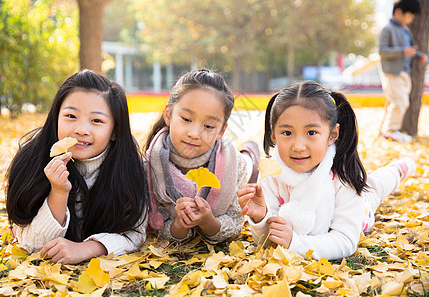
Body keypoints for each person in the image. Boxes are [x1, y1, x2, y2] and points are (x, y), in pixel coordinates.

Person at [237, 81, 416, 260]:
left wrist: (296, 243)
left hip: (362, 209)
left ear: (333, 135)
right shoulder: (271, 173)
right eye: (287, 133)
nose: (298, 146)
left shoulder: (344, 178)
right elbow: (271, 240)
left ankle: (398, 170)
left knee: (375, 188)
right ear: (273, 135)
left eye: (311, 132)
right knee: (372, 184)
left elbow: (345, 241)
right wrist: (261, 218)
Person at [6, 70, 149, 264]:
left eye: (96, 121)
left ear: (114, 131)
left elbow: (135, 233)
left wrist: (86, 249)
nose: (81, 129)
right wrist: (58, 192)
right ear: (56, 117)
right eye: (71, 116)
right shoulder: (34, 158)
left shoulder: (129, 166)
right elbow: (32, 245)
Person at [144, 68, 259, 243]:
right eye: (186, 119)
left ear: (221, 130)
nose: (194, 134)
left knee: (248, 162)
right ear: (168, 115)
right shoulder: (151, 167)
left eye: (209, 126)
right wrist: (179, 225)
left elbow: (235, 222)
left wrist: (209, 222)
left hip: (241, 164)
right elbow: (158, 227)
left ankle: (251, 153)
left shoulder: (235, 166)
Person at [378, 0, 427, 142]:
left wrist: (419, 55)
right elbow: (382, 50)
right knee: (400, 102)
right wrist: (402, 51)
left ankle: (390, 130)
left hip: (405, 73)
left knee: (399, 101)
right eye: (409, 16)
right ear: (398, 12)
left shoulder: (406, 30)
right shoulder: (387, 29)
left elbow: (411, 50)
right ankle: (390, 131)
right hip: (392, 72)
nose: (411, 20)